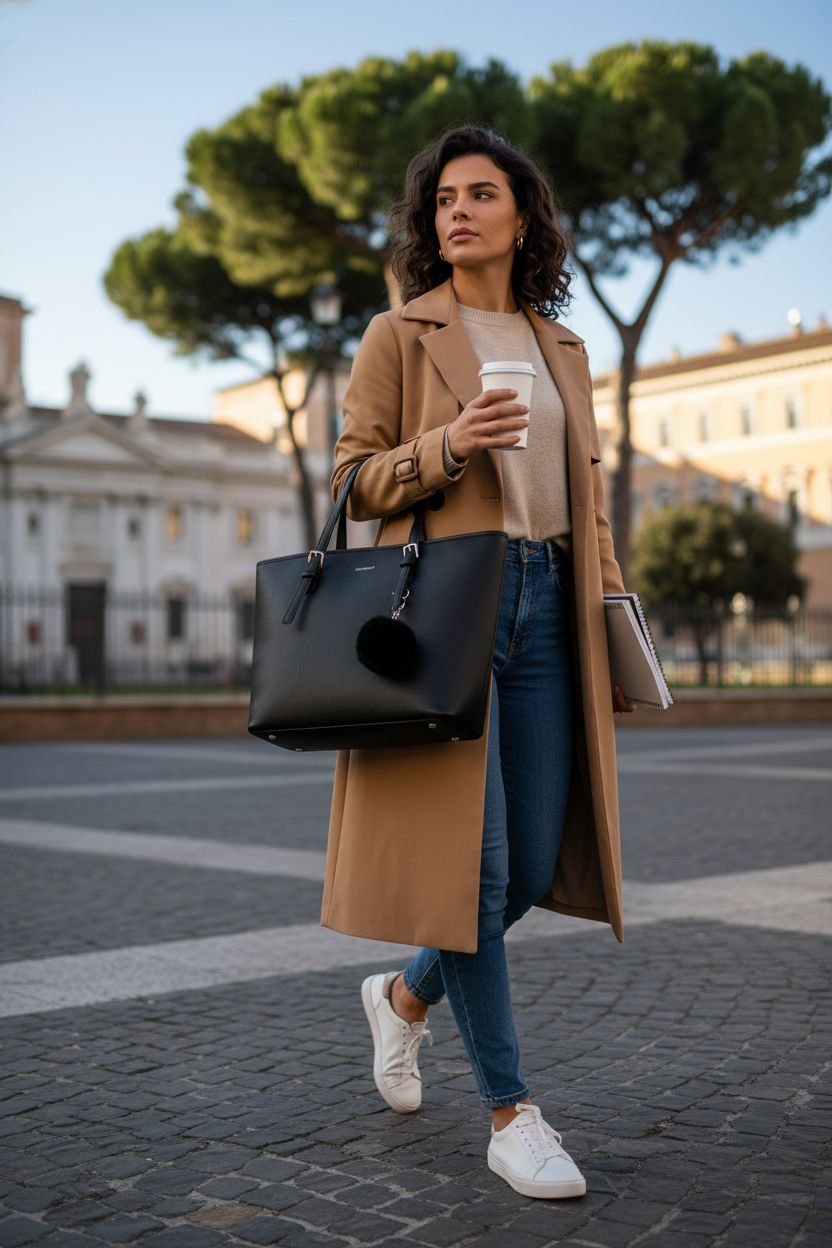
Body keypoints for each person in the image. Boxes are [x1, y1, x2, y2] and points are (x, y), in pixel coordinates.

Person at [324, 125, 636, 1201]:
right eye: (442, 198)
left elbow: (583, 505)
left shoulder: (562, 350)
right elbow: (353, 481)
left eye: (481, 193)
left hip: (550, 609)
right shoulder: (398, 334)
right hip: (449, 610)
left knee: (531, 862)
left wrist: (613, 626)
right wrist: (448, 446)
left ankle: (404, 998)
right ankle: (511, 1113)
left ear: (521, 214)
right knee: (477, 873)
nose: (456, 210)